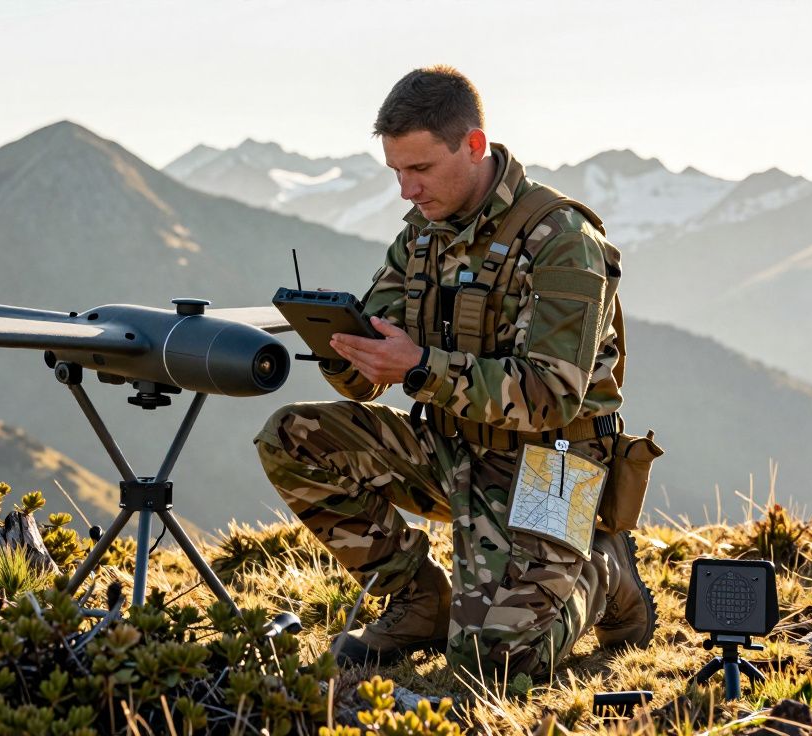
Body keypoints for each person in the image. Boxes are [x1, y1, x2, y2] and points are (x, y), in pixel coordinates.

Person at [253, 65, 655, 682]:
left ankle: (603, 571)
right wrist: (348, 351)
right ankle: (420, 600)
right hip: (451, 445)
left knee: (496, 667)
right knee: (292, 438)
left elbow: (552, 397)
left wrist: (419, 367)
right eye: (396, 172)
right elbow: (375, 367)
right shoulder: (421, 237)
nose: (406, 191)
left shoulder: (562, 241)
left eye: (420, 170)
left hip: (555, 470)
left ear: (474, 146)